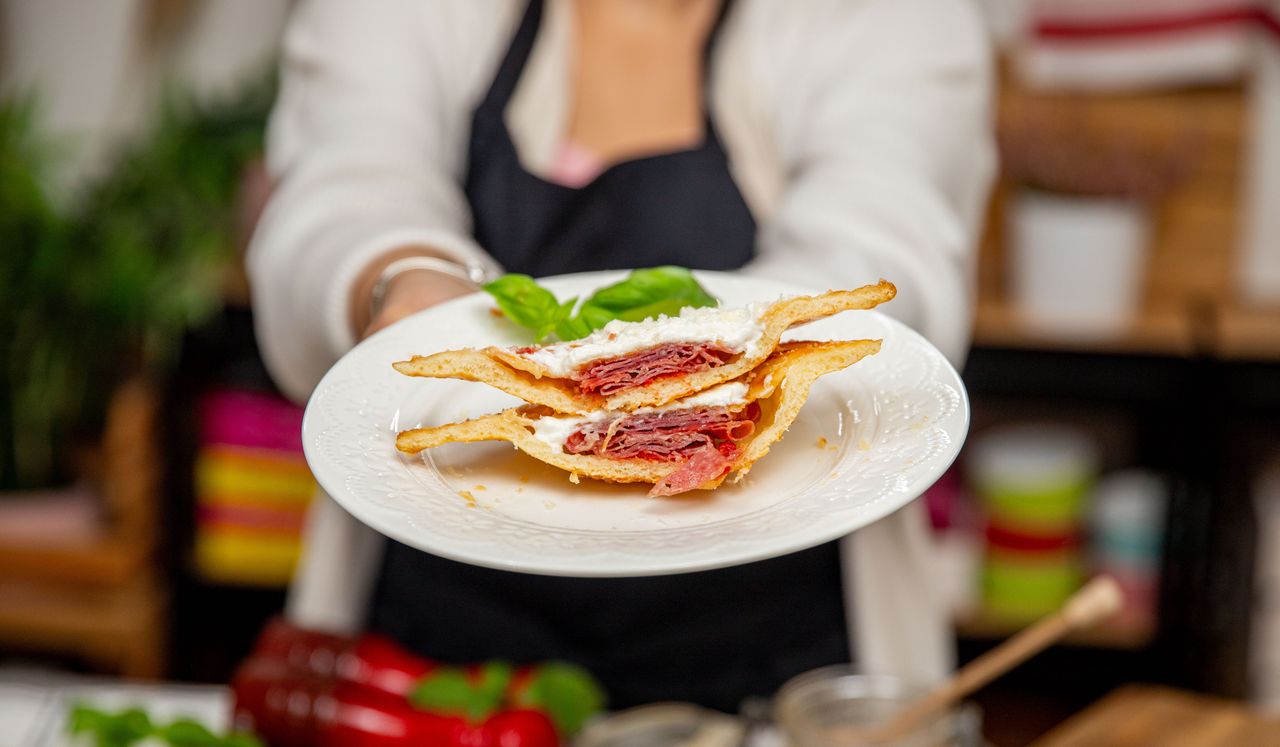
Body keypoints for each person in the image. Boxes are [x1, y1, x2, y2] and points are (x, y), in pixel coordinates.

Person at [249, 0, 994, 711]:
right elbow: (342, 192)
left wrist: (727, 366)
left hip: (773, 644)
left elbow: (884, 238)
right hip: (437, 653)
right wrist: (400, 281)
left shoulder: (895, 18)